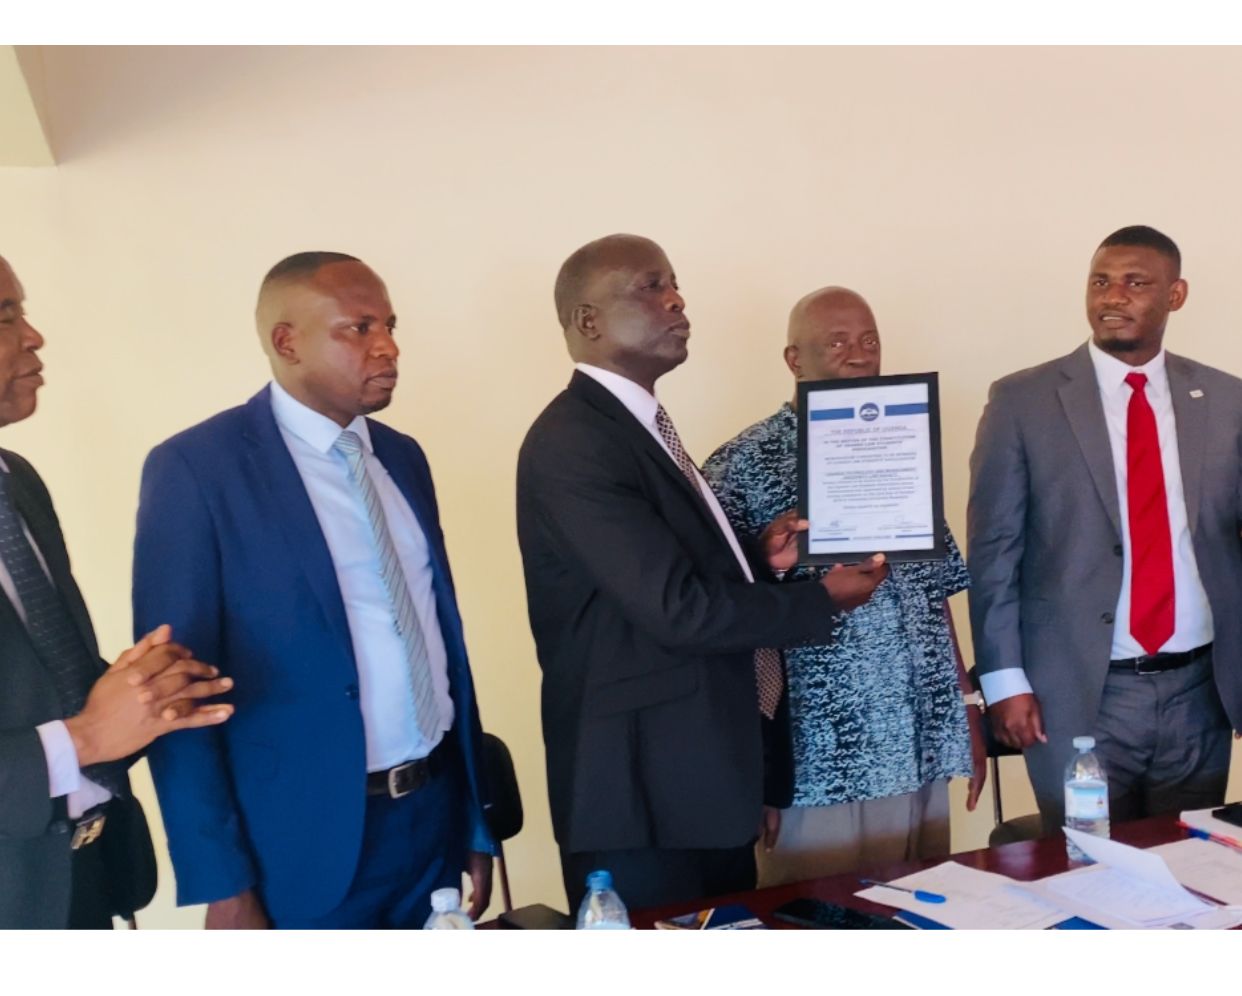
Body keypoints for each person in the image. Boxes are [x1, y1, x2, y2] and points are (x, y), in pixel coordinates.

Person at [516, 234, 888, 912]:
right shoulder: (574, 441)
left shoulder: (638, 426)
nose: (676, 300)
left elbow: (657, 569)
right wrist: (820, 601)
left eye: (674, 283)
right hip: (640, 798)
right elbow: (677, 608)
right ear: (589, 321)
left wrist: (757, 555)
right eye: (651, 287)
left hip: (696, 780)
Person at [133, 251, 494, 929]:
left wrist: (473, 818)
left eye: (388, 325)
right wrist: (224, 883)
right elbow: (175, 700)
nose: (387, 346)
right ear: (287, 341)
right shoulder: (198, 471)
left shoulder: (402, 458)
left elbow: (439, 641)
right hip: (301, 851)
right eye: (357, 328)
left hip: (432, 818)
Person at [703, 286, 986, 886]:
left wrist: (967, 710)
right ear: (793, 359)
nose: (859, 355)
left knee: (922, 919)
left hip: (920, 743)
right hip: (816, 759)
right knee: (819, 931)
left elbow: (935, 596)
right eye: (836, 342)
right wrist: (751, 767)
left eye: (869, 340)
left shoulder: (907, 448)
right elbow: (718, 616)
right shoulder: (742, 463)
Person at [968, 225, 1242, 831]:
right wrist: (1004, 681)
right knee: (1084, 874)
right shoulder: (1023, 401)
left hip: (1200, 693)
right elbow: (994, 553)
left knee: (1190, 874)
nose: (1112, 297)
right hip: (1077, 694)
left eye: (1135, 283)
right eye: (1100, 281)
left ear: (1176, 295)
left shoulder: (1226, 401)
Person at [0, 254, 233, 929]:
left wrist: (148, 689)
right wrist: (87, 736)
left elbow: (51, 675)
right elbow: (84, 729)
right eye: (7, 315)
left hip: (90, 878)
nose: (35, 336)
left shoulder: (18, 482)